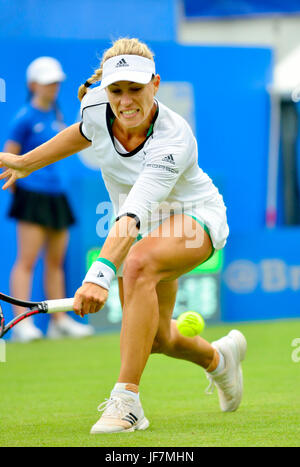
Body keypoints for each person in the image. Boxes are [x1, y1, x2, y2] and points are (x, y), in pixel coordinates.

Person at [0, 38, 247, 433]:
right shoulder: (96, 107)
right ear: (105, 90)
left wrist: (98, 275)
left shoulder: (173, 138)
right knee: (158, 338)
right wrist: (26, 162)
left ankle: (127, 401)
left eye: (136, 89)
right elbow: (83, 132)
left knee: (138, 263)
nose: (126, 100)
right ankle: (219, 360)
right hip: (146, 228)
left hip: (193, 218)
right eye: (117, 90)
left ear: (156, 84)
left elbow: (131, 216)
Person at [3, 56, 94, 342]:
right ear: (33, 85)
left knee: (56, 262)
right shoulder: (24, 118)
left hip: (57, 196)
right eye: (47, 83)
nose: (53, 87)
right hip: (32, 196)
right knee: (27, 260)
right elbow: (10, 160)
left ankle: (59, 321)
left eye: (56, 82)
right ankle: (21, 324)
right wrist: (22, 195)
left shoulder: (57, 112)